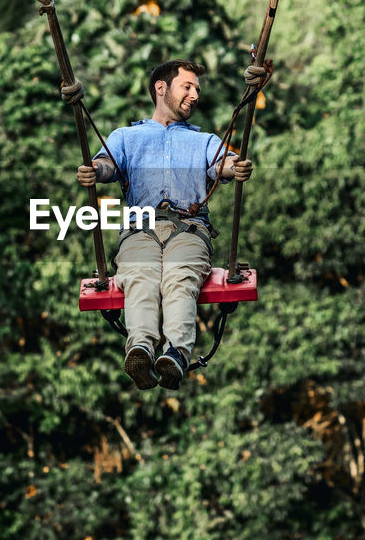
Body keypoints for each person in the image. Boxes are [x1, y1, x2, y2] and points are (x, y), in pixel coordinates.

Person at [77, 59, 252, 391]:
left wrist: (236, 166)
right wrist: (93, 171)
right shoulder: (126, 137)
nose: (195, 95)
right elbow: (105, 166)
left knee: (180, 275)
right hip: (140, 229)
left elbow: (222, 165)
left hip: (189, 229)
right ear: (162, 88)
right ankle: (141, 347)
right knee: (140, 276)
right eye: (187, 86)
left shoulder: (204, 141)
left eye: (197, 89)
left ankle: (175, 352)